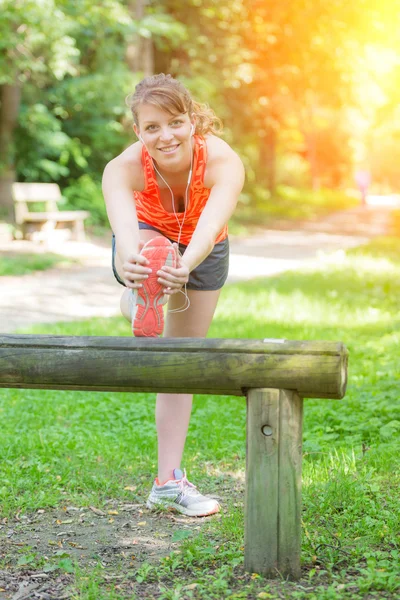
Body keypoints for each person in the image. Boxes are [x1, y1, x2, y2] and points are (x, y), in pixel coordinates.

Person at [102, 73, 245, 517]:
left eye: (175, 122)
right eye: (152, 127)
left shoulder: (223, 161)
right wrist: (131, 262)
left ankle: (167, 481)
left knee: (181, 359)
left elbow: (208, 228)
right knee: (148, 255)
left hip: (205, 246)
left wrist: (185, 265)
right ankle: (138, 298)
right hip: (149, 241)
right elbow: (124, 232)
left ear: (193, 120)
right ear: (137, 132)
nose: (165, 136)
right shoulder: (122, 168)